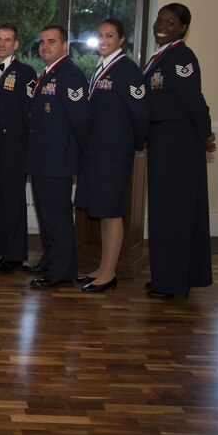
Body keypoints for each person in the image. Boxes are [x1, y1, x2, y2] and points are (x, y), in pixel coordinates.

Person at [74, 19, 149, 293]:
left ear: (122, 40)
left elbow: (141, 115)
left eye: (110, 36)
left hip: (114, 153)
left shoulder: (127, 70)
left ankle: (109, 273)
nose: (103, 40)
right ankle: (104, 267)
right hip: (97, 152)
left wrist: (131, 145)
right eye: (100, 35)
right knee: (103, 213)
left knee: (112, 213)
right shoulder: (102, 67)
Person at [144, 3, 214, 298]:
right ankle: (168, 277)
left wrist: (206, 133)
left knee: (174, 213)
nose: (162, 26)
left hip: (178, 143)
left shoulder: (181, 56)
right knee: (164, 212)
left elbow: (193, 100)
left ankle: (171, 284)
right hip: (163, 140)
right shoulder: (162, 55)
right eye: (160, 20)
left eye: (170, 22)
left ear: (183, 28)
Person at [24, 25, 90, 288]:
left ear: (65, 46)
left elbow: (81, 120)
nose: (44, 47)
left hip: (57, 160)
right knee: (45, 214)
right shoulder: (48, 73)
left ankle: (63, 271)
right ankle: (51, 260)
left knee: (58, 217)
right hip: (41, 158)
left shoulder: (70, 75)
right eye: (42, 42)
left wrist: (79, 155)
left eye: (51, 41)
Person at [0, 24, 37, 276]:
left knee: (12, 203)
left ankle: (14, 256)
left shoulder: (26, 73)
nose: (2, 44)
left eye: (8, 40)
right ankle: (2, 250)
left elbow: (30, 114)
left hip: (14, 149)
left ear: (16, 45)